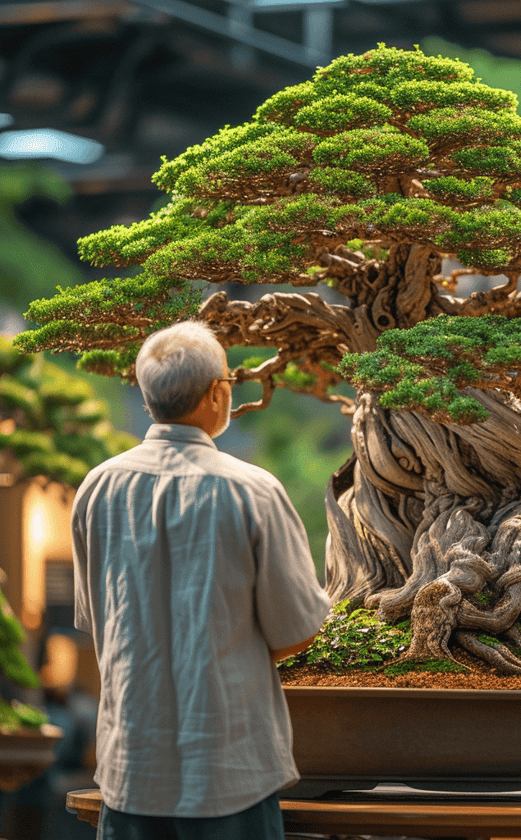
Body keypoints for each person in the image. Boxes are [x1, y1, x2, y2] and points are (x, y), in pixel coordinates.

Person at [71, 321, 331, 839]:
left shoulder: (96, 489)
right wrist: (225, 652)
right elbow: (299, 630)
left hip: (130, 771)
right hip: (231, 769)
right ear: (219, 392)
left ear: (147, 400)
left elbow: (95, 619)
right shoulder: (253, 492)